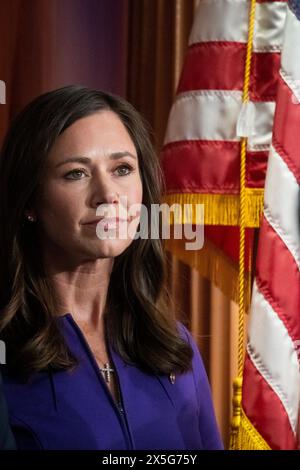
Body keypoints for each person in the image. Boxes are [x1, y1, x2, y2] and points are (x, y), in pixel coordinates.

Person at [0, 85, 223, 450]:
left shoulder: (174, 344)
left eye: (122, 168)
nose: (108, 194)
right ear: (30, 201)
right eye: (75, 173)